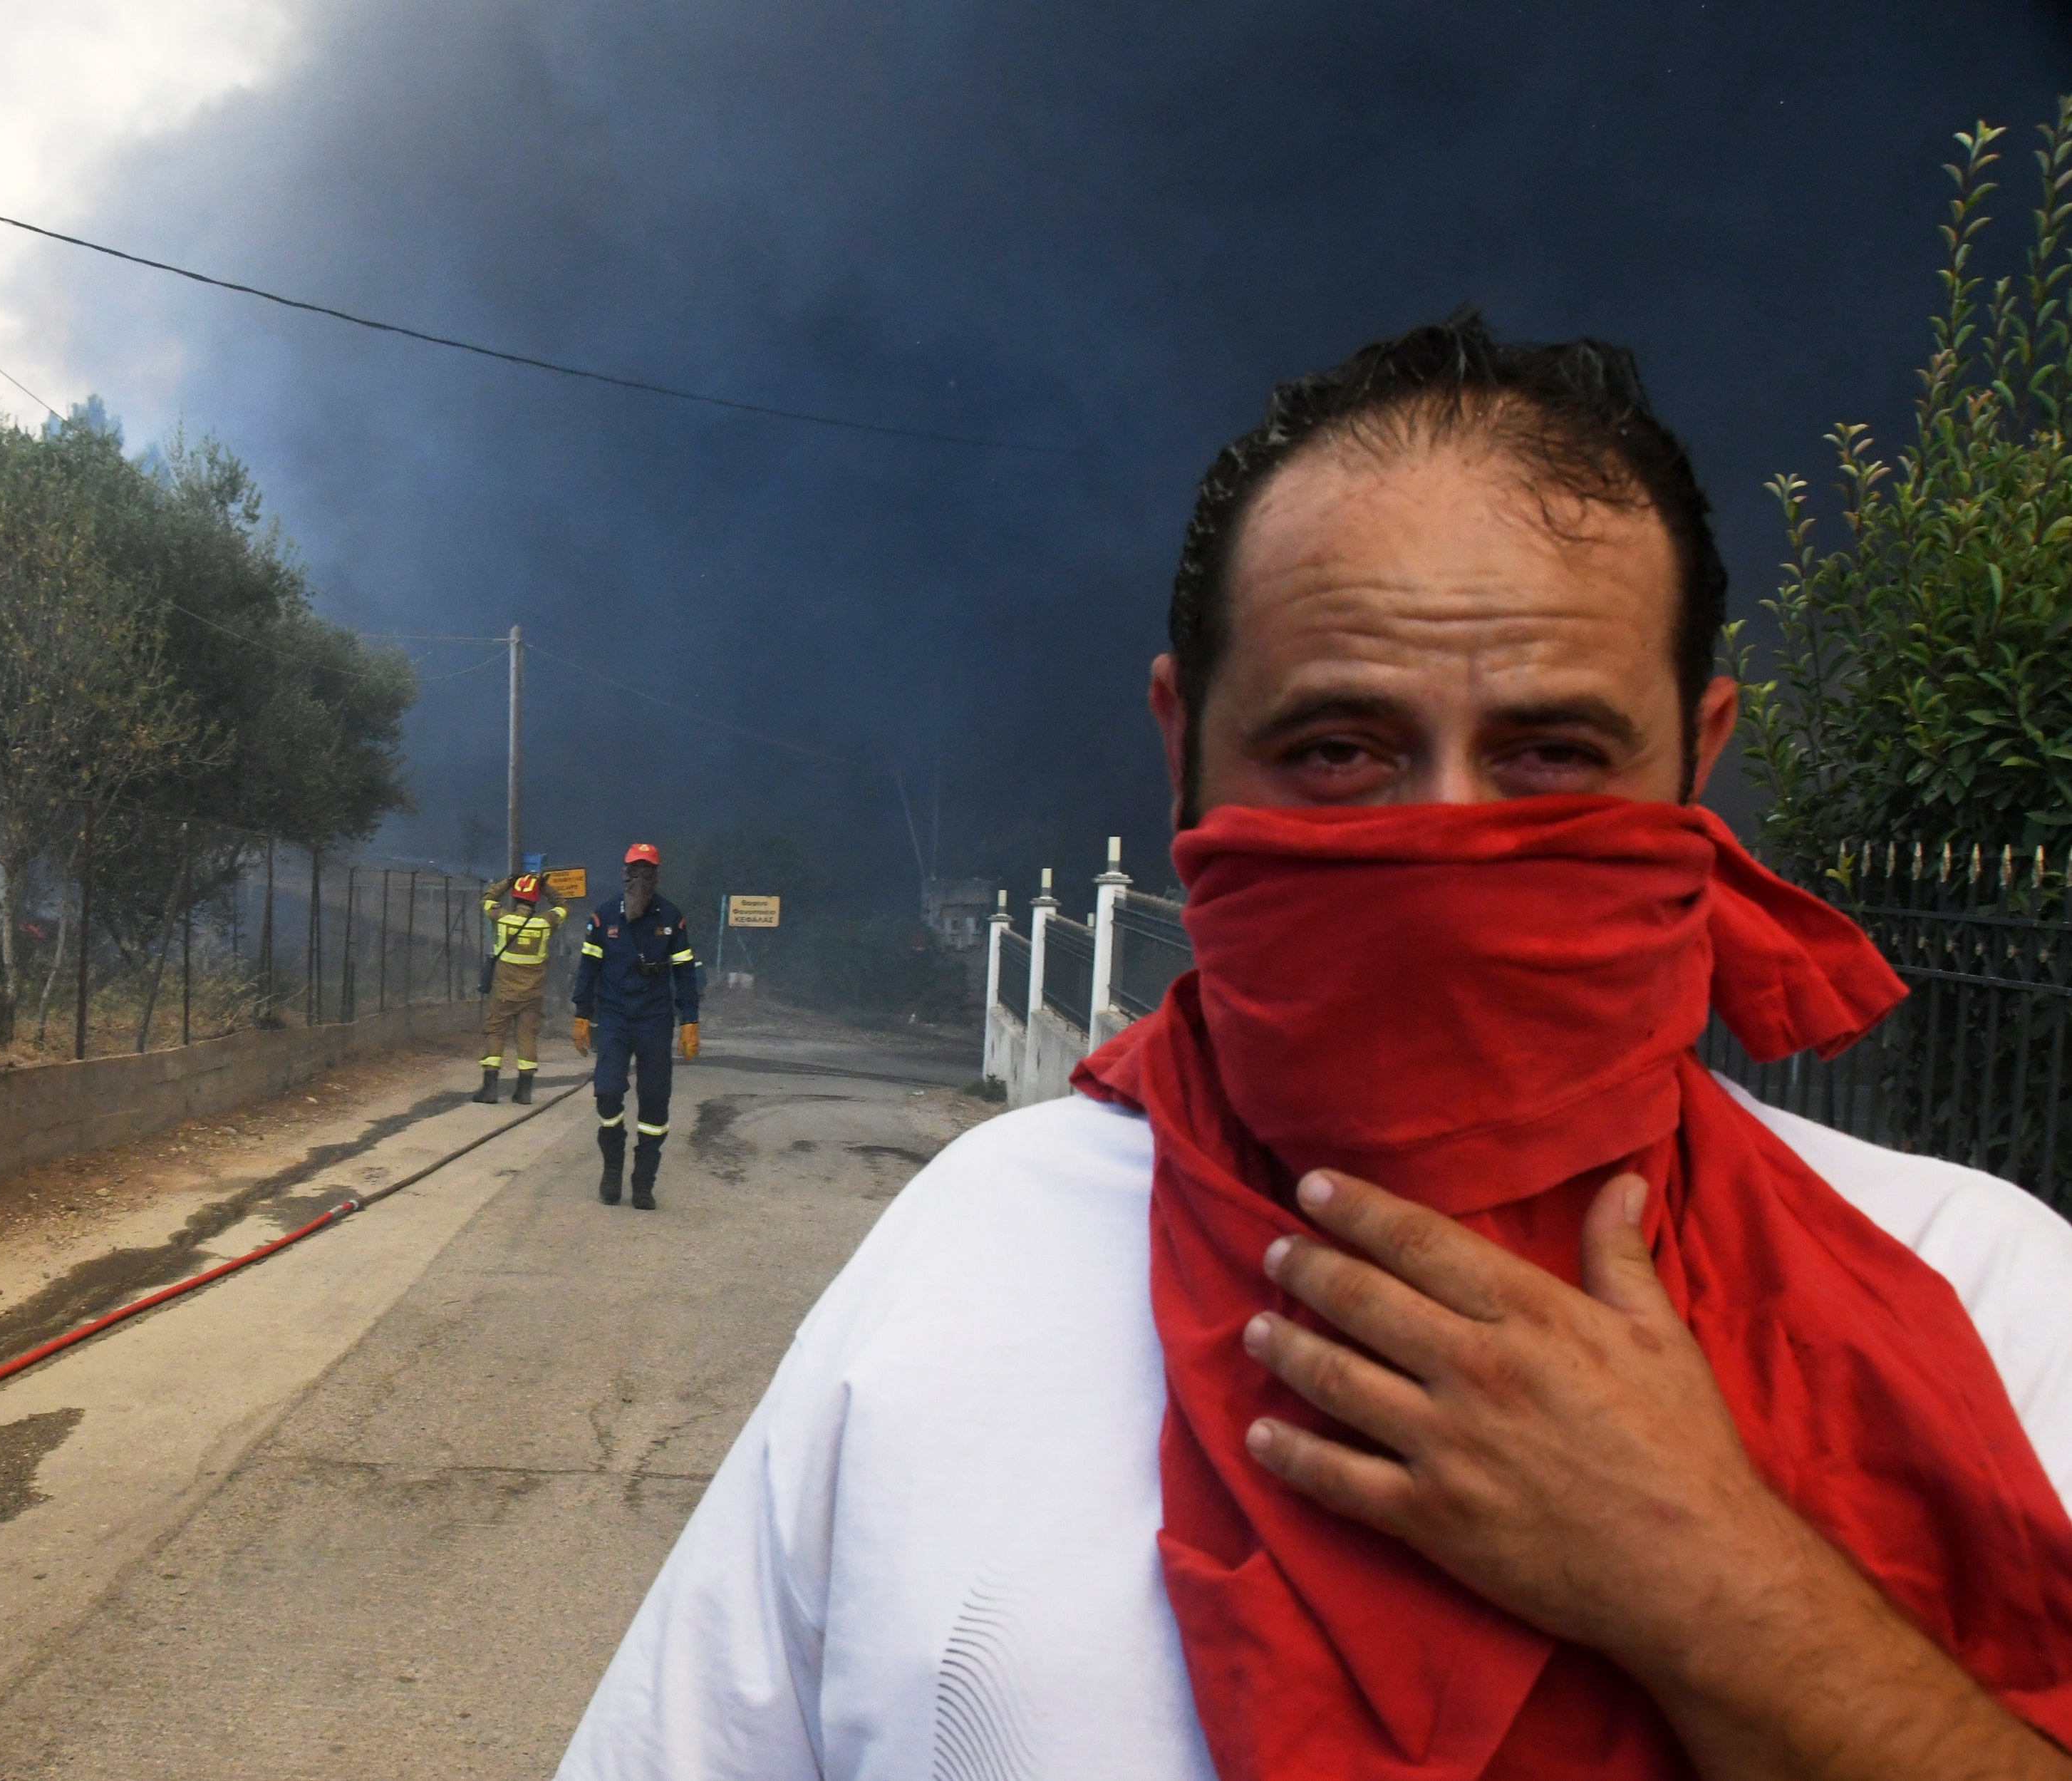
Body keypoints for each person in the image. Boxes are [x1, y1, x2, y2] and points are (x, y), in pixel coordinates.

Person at [558, 316, 2072, 1780]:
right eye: (1336, 750)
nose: (1442, 846)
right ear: (1179, 748)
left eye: (1549, 753)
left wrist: (1713, 1587)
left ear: (1700, 752)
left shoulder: (1980, 1295)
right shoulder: (966, 1252)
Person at [572, 842, 703, 1210]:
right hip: (613, 1017)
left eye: (648, 871)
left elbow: (685, 973)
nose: (640, 877)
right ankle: (612, 1169)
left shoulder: (671, 918)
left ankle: (643, 1183)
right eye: (635, 870)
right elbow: (588, 969)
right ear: (624, 874)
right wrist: (582, 1013)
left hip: (655, 1020)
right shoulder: (602, 918)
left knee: (655, 1100)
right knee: (608, 1092)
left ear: (656, 876)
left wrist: (690, 1020)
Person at [475, 871, 568, 1104]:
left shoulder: (503, 919)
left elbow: (487, 899)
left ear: (515, 898)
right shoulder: (545, 924)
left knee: (495, 1033)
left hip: (503, 993)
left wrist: (506, 882)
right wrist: (545, 887)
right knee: (527, 1036)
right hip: (532, 995)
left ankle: (490, 1089)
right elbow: (563, 906)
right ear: (536, 900)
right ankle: (524, 1091)